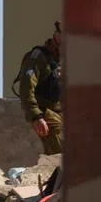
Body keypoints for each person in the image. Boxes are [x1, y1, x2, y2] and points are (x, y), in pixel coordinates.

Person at [14, 21, 63, 154]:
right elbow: (26, 88)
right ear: (57, 36)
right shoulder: (38, 57)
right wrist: (36, 116)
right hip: (46, 114)